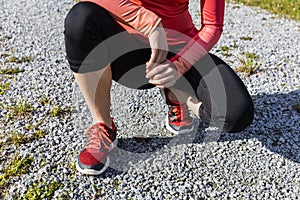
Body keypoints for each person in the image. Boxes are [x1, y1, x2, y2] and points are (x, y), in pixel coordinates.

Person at [64, 0, 254, 175]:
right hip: (124, 50)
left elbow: (212, 26)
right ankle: (104, 126)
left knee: (235, 114)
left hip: (178, 50)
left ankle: (179, 94)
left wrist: (180, 66)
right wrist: (150, 24)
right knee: (80, 18)